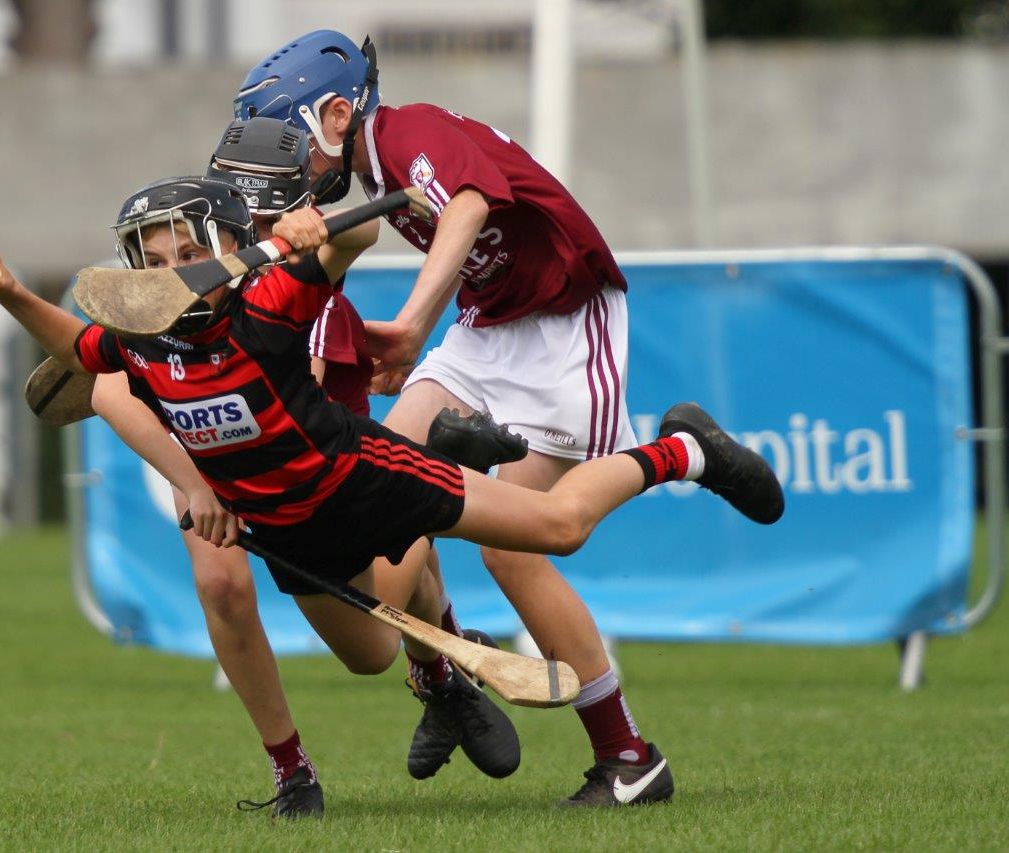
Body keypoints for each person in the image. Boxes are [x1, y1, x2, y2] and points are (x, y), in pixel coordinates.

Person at [0, 177, 784, 811]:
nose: (170, 275)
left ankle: (684, 450)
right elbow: (76, 348)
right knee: (369, 656)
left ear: (226, 247)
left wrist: (320, 241)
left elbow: (356, 240)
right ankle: (412, 653)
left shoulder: (268, 303)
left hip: (371, 480)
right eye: (153, 263)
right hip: (296, 535)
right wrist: (12, 290)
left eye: (185, 255)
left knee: (556, 527)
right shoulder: (142, 345)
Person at [231, 29, 773, 806]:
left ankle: (630, 751)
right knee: (390, 462)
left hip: (564, 317)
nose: (288, 159)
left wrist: (415, 323)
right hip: (488, 324)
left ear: (339, 114)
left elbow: (471, 204)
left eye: (292, 136)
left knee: (521, 546)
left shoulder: (405, 130)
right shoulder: (376, 166)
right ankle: (444, 674)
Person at [89, 120, 511, 819]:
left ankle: (436, 661)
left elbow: (301, 388)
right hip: (207, 452)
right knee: (220, 584)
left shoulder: (290, 283)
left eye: (267, 201)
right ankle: (292, 770)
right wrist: (195, 482)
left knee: (371, 649)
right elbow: (105, 388)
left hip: (308, 466)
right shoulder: (184, 273)